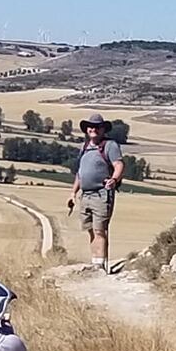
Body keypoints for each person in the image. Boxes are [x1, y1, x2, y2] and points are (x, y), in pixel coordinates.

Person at [67, 112, 125, 271]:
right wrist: (73, 193)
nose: (93, 129)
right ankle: (95, 262)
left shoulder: (110, 145)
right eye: (90, 127)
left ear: (103, 129)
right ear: (87, 129)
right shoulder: (85, 147)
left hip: (101, 194)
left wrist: (114, 179)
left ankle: (99, 266)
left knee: (100, 229)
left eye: (97, 127)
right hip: (85, 195)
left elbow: (119, 165)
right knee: (91, 230)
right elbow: (80, 173)